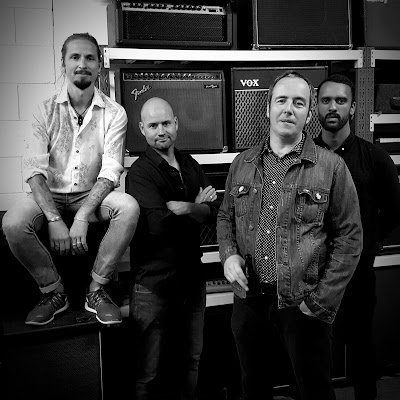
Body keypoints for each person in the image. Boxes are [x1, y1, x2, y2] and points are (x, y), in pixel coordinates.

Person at [217, 70, 363, 400]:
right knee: (253, 388)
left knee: (313, 391)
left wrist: (320, 301)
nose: (288, 109)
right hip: (250, 300)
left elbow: (350, 237)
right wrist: (228, 256)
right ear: (268, 109)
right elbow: (225, 216)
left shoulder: (330, 167)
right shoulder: (242, 163)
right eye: (281, 100)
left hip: (302, 303)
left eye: (299, 102)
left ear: (309, 114)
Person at [2, 32, 140, 326]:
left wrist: (82, 216)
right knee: (12, 222)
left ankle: (96, 289)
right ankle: (53, 292)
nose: (82, 64)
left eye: (90, 58)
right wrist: (54, 218)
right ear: (63, 63)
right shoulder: (43, 110)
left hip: (90, 195)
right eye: (74, 57)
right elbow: (34, 171)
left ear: (99, 65)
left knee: (128, 207)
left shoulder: (115, 113)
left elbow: (111, 170)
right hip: (48, 194)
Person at [125, 97, 220, 400]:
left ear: (176, 124)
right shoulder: (139, 173)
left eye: (166, 123)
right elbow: (158, 226)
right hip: (154, 285)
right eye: (153, 125)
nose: (161, 131)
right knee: (150, 373)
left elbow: (213, 211)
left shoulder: (190, 164)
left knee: (190, 362)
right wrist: (197, 206)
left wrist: (185, 207)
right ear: (142, 129)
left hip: (192, 281)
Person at [315, 73, 400, 400]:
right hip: (312, 274)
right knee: (314, 350)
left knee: (361, 345)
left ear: (352, 108)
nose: (332, 107)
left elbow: (394, 211)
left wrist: (366, 246)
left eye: (341, 101)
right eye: (325, 100)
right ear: (316, 107)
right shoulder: (302, 157)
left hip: (357, 275)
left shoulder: (374, 158)